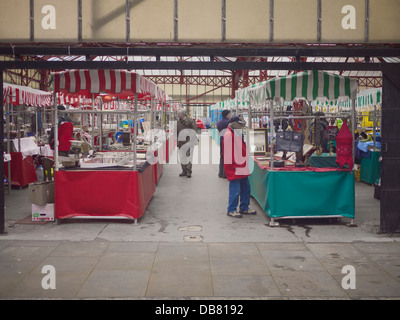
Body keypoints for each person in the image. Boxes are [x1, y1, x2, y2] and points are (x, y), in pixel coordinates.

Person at [223, 116, 257, 218]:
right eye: (240, 124)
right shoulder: (229, 134)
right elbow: (229, 154)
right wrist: (234, 167)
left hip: (241, 165)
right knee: (235, 189)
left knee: (245, 187)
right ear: (233, 123)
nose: (241, 126)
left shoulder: (235, 132)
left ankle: (244, 207)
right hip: (235, 167)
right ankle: (232, 209)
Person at [177, 108, 198, 178]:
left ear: (183, 114)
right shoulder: (178, 122)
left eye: (179, 114)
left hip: (189, 142)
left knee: (188, 157)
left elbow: (194, 130)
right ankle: (184, 170)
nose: (178, 115)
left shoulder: (190, 121)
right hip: (181, 142)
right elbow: (176, 131)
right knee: (182, 157)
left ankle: (189, 171)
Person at [216, 109, 231, 178]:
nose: (230, 115)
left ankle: (221, 173)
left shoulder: (219, 122)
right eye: (229, 114)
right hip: (227, 141)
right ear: (227, 114)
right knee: (227, 157)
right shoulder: (228, 122)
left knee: (222, 156)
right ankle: (226, 174)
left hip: (222, 140)